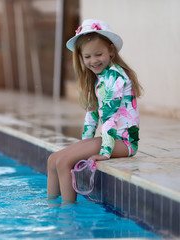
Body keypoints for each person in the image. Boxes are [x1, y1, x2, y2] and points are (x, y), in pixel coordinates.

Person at [47, 19, 142, 203]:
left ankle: (68, 215)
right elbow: (91, 115)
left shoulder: (114, 77)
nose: (93, 61)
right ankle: (50, 209)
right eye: (88, 57)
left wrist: (105, 152)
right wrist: (83, 145)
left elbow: (109, 119)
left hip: (124, 142)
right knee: (53, 160)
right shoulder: (98, 78)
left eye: (98, 54)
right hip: (112, 139)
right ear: (81, 58)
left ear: (111, 50)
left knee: (63, 162)